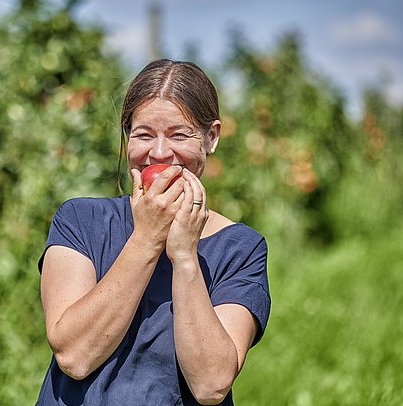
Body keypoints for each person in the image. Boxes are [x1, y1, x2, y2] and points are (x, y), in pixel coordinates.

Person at [36, 59, 271, 405]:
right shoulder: (79, 221)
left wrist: (185, 257)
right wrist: (147, 238)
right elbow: (75, 357)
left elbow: (211, 386)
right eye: (144, 134)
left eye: (179, 134)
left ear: (212, 137)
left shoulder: (241, 248)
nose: (159, 154)